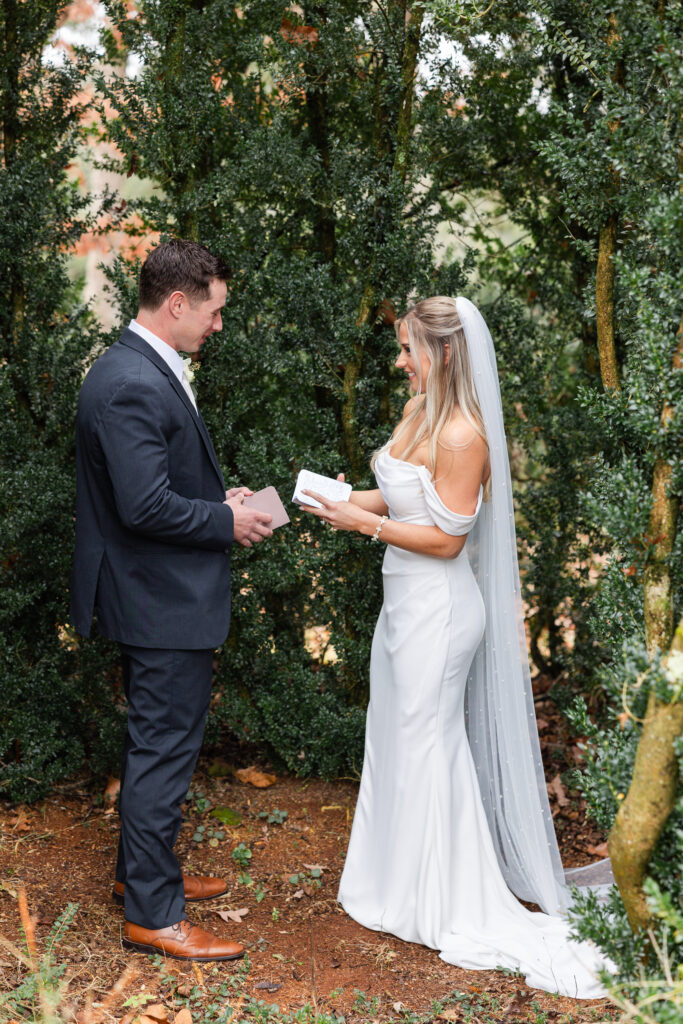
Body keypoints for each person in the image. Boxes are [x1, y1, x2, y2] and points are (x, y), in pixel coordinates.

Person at [301, 296, 610, 998]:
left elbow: (446, 540)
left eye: (408, 348)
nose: (399, 359)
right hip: (402, 607)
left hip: (440, 612)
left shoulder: (465, 435)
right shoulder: (417, 413)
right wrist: (334, 497)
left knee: (428, 743)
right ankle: (391, 886)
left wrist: (359, 526)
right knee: (397, 739)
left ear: (442, 353)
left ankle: (443, 898)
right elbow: (397, 495)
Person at [70, 239, 273, 962]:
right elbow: (142, 507)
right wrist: (225, 521)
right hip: (156, 600)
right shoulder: (131, 381)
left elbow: (152, 487)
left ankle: (139, 878)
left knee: (155, 746)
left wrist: (213, 499)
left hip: (149, 589)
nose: (218, 326)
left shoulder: (141, 367)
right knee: (162, 755)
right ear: (179, 303)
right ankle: (154, 916)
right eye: (214, 312)